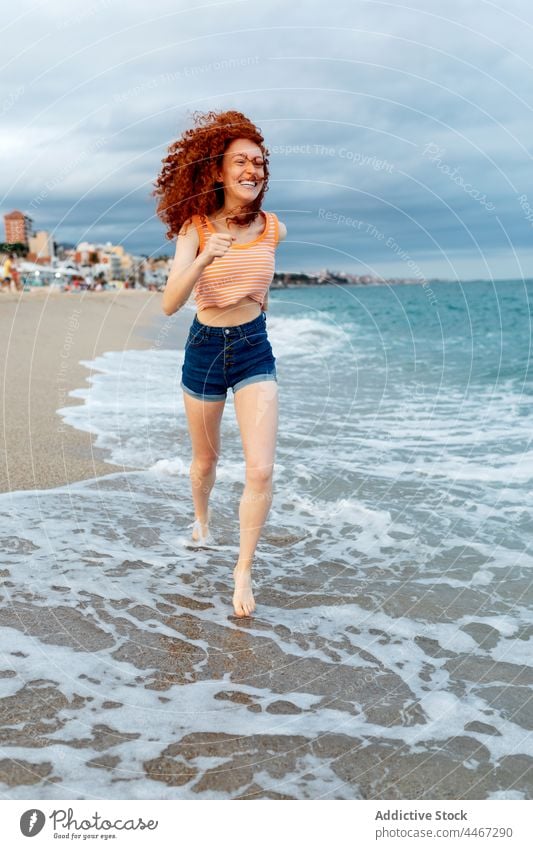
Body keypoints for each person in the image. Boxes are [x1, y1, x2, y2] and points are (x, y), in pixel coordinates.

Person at [153, 109, 287, 618]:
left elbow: (261, 278)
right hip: (205, 349)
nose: (252, 169)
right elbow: (169, 302)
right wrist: (207, 257)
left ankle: (243, 568)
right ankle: (202, 521)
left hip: (254, 347)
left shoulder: (275, 227)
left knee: (261, 468)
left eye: (259, 162)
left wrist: (256, 299)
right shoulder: (193, 228)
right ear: (217, 171)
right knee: (206, 461)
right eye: (241, 161)